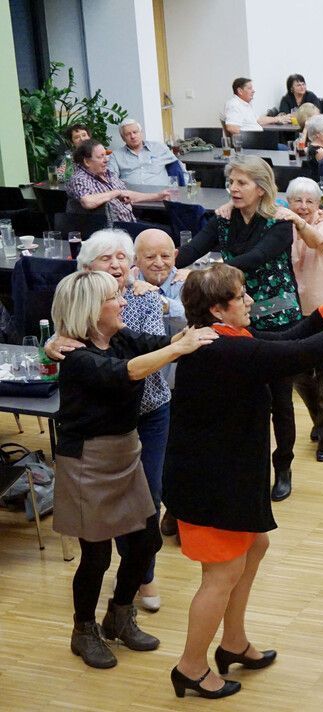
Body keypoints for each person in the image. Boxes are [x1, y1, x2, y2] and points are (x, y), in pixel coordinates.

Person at [163, 264, 323, 698]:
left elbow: (285, 340)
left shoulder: (227, 338)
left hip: (229, 475)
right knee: (219, 575)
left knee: (255, 546)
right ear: (218, 308)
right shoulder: (221, 352)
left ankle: (233, 642)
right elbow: (301, 355)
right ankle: (190, 666)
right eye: (241, 295)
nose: (251, 300)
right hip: (209, 484)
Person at [51, 270, 214, 669]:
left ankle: (120, 615)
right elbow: (129, 371)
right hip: (87, 461)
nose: (123, 302)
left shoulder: (120, 338)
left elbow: (163, 343)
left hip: (126, 454)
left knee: (145, 542)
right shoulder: (77, 357)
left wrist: (191, 332)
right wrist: (178, 350)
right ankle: (83, 629)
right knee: (96, 557)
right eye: (114, 297)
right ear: (91, 309)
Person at [177, 156, 301, 501]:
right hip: (235, 319)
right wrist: (153, 264)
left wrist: (205, 274)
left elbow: (255, 258)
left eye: (241, 183)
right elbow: (191, 250)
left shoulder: (278, 221)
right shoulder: (223, 218)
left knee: (280, 398)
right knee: (244, 398)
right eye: (231, 182)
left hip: (276, 318)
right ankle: (250, 464)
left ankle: (284, 464)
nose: (232, 188)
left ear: (261, 188)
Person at [276, 177, 323, 461]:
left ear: (318, 204)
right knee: (300, 375)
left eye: (310, 201)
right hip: (295, 312)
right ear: (288, 201)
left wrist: (296, 220)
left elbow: (316, 240)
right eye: (297, 201)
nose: (304, 206)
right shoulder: (282, 226)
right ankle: (321, 420)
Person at [65, 139, 172, 226]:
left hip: (129, 223)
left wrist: (157, 196)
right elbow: (87, 202)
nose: (106, 159)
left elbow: (127, 194)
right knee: (167, 233)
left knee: (171, 228)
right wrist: (115, 193)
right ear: (87, 161)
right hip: (111, 233)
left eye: (105, 155)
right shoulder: (80, 179)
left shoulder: (108, 173)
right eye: (100, 157)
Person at [108, 119, 184, 186]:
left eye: (135, 132)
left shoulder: (159, 147)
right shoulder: (116, 156)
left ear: (141, 133)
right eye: (128, 134)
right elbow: (111, 178)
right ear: (123, 138)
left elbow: (177, 170)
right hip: (131, 199)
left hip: (162, 196)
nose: (133, 136)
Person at [223, 78, 290, 135]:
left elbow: (258, 120)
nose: (253, 91)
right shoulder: (234, 105)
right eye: (249, 88)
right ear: (240, 91)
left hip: (259, 139)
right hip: (252, 144)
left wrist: (278, 119)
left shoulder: (245, 104)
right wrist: (253, 138)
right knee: (287, 148)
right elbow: (231, 127)